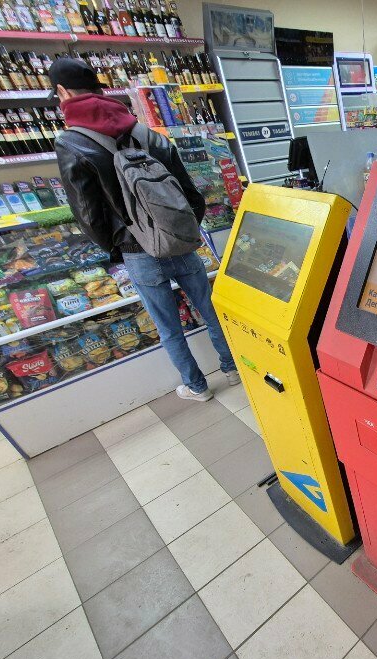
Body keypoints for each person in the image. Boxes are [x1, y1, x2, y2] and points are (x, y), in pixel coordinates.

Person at [50, 58, 238, 402]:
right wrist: (183, 228)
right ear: (99, 88)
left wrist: (118, 247)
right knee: (210, 309)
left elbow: (88, 214)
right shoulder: (144, 131)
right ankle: (233, 368)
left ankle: (197, 387)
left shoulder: (72, 143)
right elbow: (190, 192)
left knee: (168, 326)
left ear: (62, 92)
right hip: (180, 240)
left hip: (137, 249)